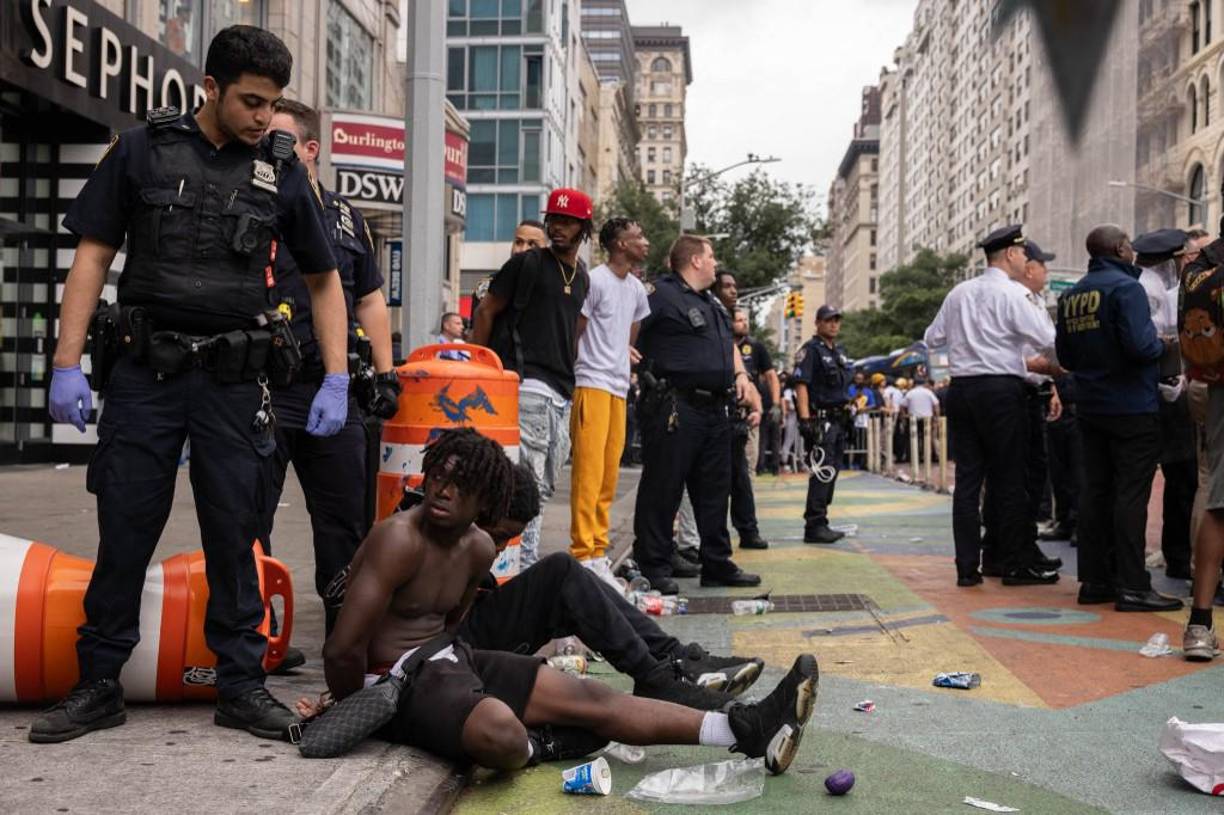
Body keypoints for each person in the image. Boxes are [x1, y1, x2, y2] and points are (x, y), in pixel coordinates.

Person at [38, 25, 349, 743]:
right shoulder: (144, 149)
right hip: (147, 373)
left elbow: (324, 277)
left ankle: (240, 684)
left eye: (271, 104)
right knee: (125, 525)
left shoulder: (281, 170)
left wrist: (335, 375)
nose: (262, 118)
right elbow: (92, 255)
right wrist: (65, 360)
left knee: (235, 532)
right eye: (249, 100)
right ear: (209, 87)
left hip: (234, 383)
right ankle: (98, 682)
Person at [310, 429, 818, 774]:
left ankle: (746, 728)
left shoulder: (480, 547)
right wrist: (359, 709)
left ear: (484, 500)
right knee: (504, 736)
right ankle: (541, 744)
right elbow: (342, 648)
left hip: (446, 660)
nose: (442, 491)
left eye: (460, 485)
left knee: (590, 698)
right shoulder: (397, 538)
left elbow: (453, 625)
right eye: (438, 476)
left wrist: (469, 674)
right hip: (393, 682)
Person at [398, 461, 765, 709]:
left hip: (463, 639)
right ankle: (657, 675)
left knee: (567, 576)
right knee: (559, 572)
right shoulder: (420, 534)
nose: (496, 549)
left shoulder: (463, 535)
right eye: (498, 536)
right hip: (444, 658)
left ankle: (676, 658)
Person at [252, 99, 397, 669]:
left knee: (346, 525)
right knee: (246, 518)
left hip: (331, 389)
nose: (270, 149)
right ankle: (254, 643)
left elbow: (369, 296)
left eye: (282, 139)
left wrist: (384, 373)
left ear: (311, 149)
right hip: (262, 385)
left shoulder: (345, 218)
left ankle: (347, 644)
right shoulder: (249, 199)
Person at [924, 225, 1060, 588]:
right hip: (1001, 390)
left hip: (963, 389)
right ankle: (1013, 563)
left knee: (968, 480)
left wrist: (966, 340)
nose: (1024, 260)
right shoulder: (1012, 295)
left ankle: (968, 567)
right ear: (1011, 255)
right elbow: (1047, 340)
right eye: (1021, 254)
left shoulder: (959, 293)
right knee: (1009, 478)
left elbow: (931, 337)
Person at [1055, 225, 1181, 611]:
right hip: (1131, 405)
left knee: (1095, 493)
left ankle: (1095, 582)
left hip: (1090, 407)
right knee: (1130, 495)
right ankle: (1132, 585)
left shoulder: (1072, 295)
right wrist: (1162, 344)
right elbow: (1140, 345)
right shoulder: (1127, 289)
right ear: (1122, 249)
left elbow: (1066, 357)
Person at [632, 236, 762, 594]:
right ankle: (654, 564)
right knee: (664, 487)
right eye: (711, 256)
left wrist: (740, 376)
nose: (716, 262)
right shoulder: (658, 294)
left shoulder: (711, 303)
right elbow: (627, 328)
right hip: (675, 404)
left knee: (714, 490)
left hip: (715, 408)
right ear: (695, 261)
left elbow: (726, 347)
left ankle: (716, 563)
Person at [471, 190, 593, 568]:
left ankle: (511, 566)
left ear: (584, 228)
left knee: (544, 488)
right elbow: (486, 311)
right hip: (526, 386)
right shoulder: (527, 265)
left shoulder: (582, 278)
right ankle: (515, 569)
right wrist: (484, 366)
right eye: (553, 219)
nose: (558, 227)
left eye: (568, 221)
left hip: (560, 393)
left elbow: (572, 334)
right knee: (527, 487)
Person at [568, 218, 651, 581]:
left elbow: (631, 333)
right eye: (638, 237)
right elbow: (577, 330)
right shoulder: (594, 280)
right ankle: (582, 552)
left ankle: (598, 550)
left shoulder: (636, 289)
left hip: (618, 387)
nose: (645, 243)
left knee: (608, 475)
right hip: (591, 383)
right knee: (588, 473)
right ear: (620, 244)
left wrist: (624, 354)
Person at [980, 240, 1063, 577]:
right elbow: (1026, 355)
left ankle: (1022, 547)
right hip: (1018, 392)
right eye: (1042, 264)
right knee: (1016, 478)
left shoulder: (1032, 300)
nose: (1046, 271)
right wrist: (1058, 369)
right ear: (1028, 267)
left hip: (1032, 392)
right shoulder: (1015, 299)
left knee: (1028, 476)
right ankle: (1009, 552)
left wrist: (1054, 382)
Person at [1134, 228, 1197, 580]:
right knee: (1180, 478)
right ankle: (1176, 557)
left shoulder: (1158, 289)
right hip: (1165, 393)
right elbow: (1155, 342)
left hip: (1160, 390)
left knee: (1171, 480)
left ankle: (1175, 556)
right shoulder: (1154, 290)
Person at [793, 305, 852, 543]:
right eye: (828, 320)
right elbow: (801, 384)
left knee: (832, 471)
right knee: (822, 472)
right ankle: (814, 525)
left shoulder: (838, 352)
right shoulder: (811, 351)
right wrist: (806, 419)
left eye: (837, 320)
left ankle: (821, 520)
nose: (834, 324)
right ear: (817, 323)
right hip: (821, 420)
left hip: (838, 420)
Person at [729, 308, 772, 550]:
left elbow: (752, 381)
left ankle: (748, 530)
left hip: (741, 419)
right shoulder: (714, 337)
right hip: (711, 418)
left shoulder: (754, 348)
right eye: (738, 319)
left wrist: (761, 409)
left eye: (745, 319)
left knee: (743, 478)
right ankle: (698, 542)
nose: (743, 323)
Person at [469, 219, 548, 316]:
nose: (523, 250)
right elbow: (477, 327)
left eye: (532, 244)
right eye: (518, 242)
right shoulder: (488, 285)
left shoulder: (556, 284)